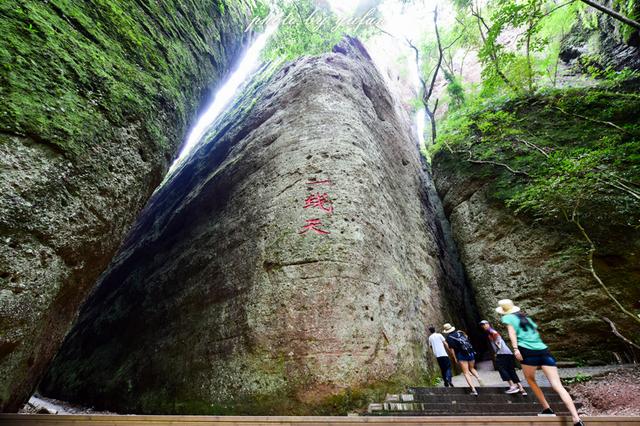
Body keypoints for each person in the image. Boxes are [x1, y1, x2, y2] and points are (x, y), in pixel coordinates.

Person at [496, 299, 584, 426]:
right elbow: (536, 334)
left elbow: (512, 334)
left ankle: (547, 408)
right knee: (557, 385)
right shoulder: (527, 319)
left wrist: (515, 350)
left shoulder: (508, 318)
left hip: (527, 351)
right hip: (543, 350)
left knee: (530, 379)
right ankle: (576, 418)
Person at [480, 319, 527, 396]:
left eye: (484, 324)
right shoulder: (490, 332)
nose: (483, 326)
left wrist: (498, 348)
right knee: (511, 370)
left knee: (502, 369)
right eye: (482, 325)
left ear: (488, 324)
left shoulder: (491, 331)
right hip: (508, 353)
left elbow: (497, 336)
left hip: (502, 353)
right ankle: (521, 388)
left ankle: (512, 386)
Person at [443, 323, 482, 395]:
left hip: (461, 355)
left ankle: (473, 389)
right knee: (472, 368)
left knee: (466, 373)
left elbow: (452, 350)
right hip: (470, 353)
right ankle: (479, 378)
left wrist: (455, 358)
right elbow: (467, 338)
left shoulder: (449, 338)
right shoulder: (460, 333)